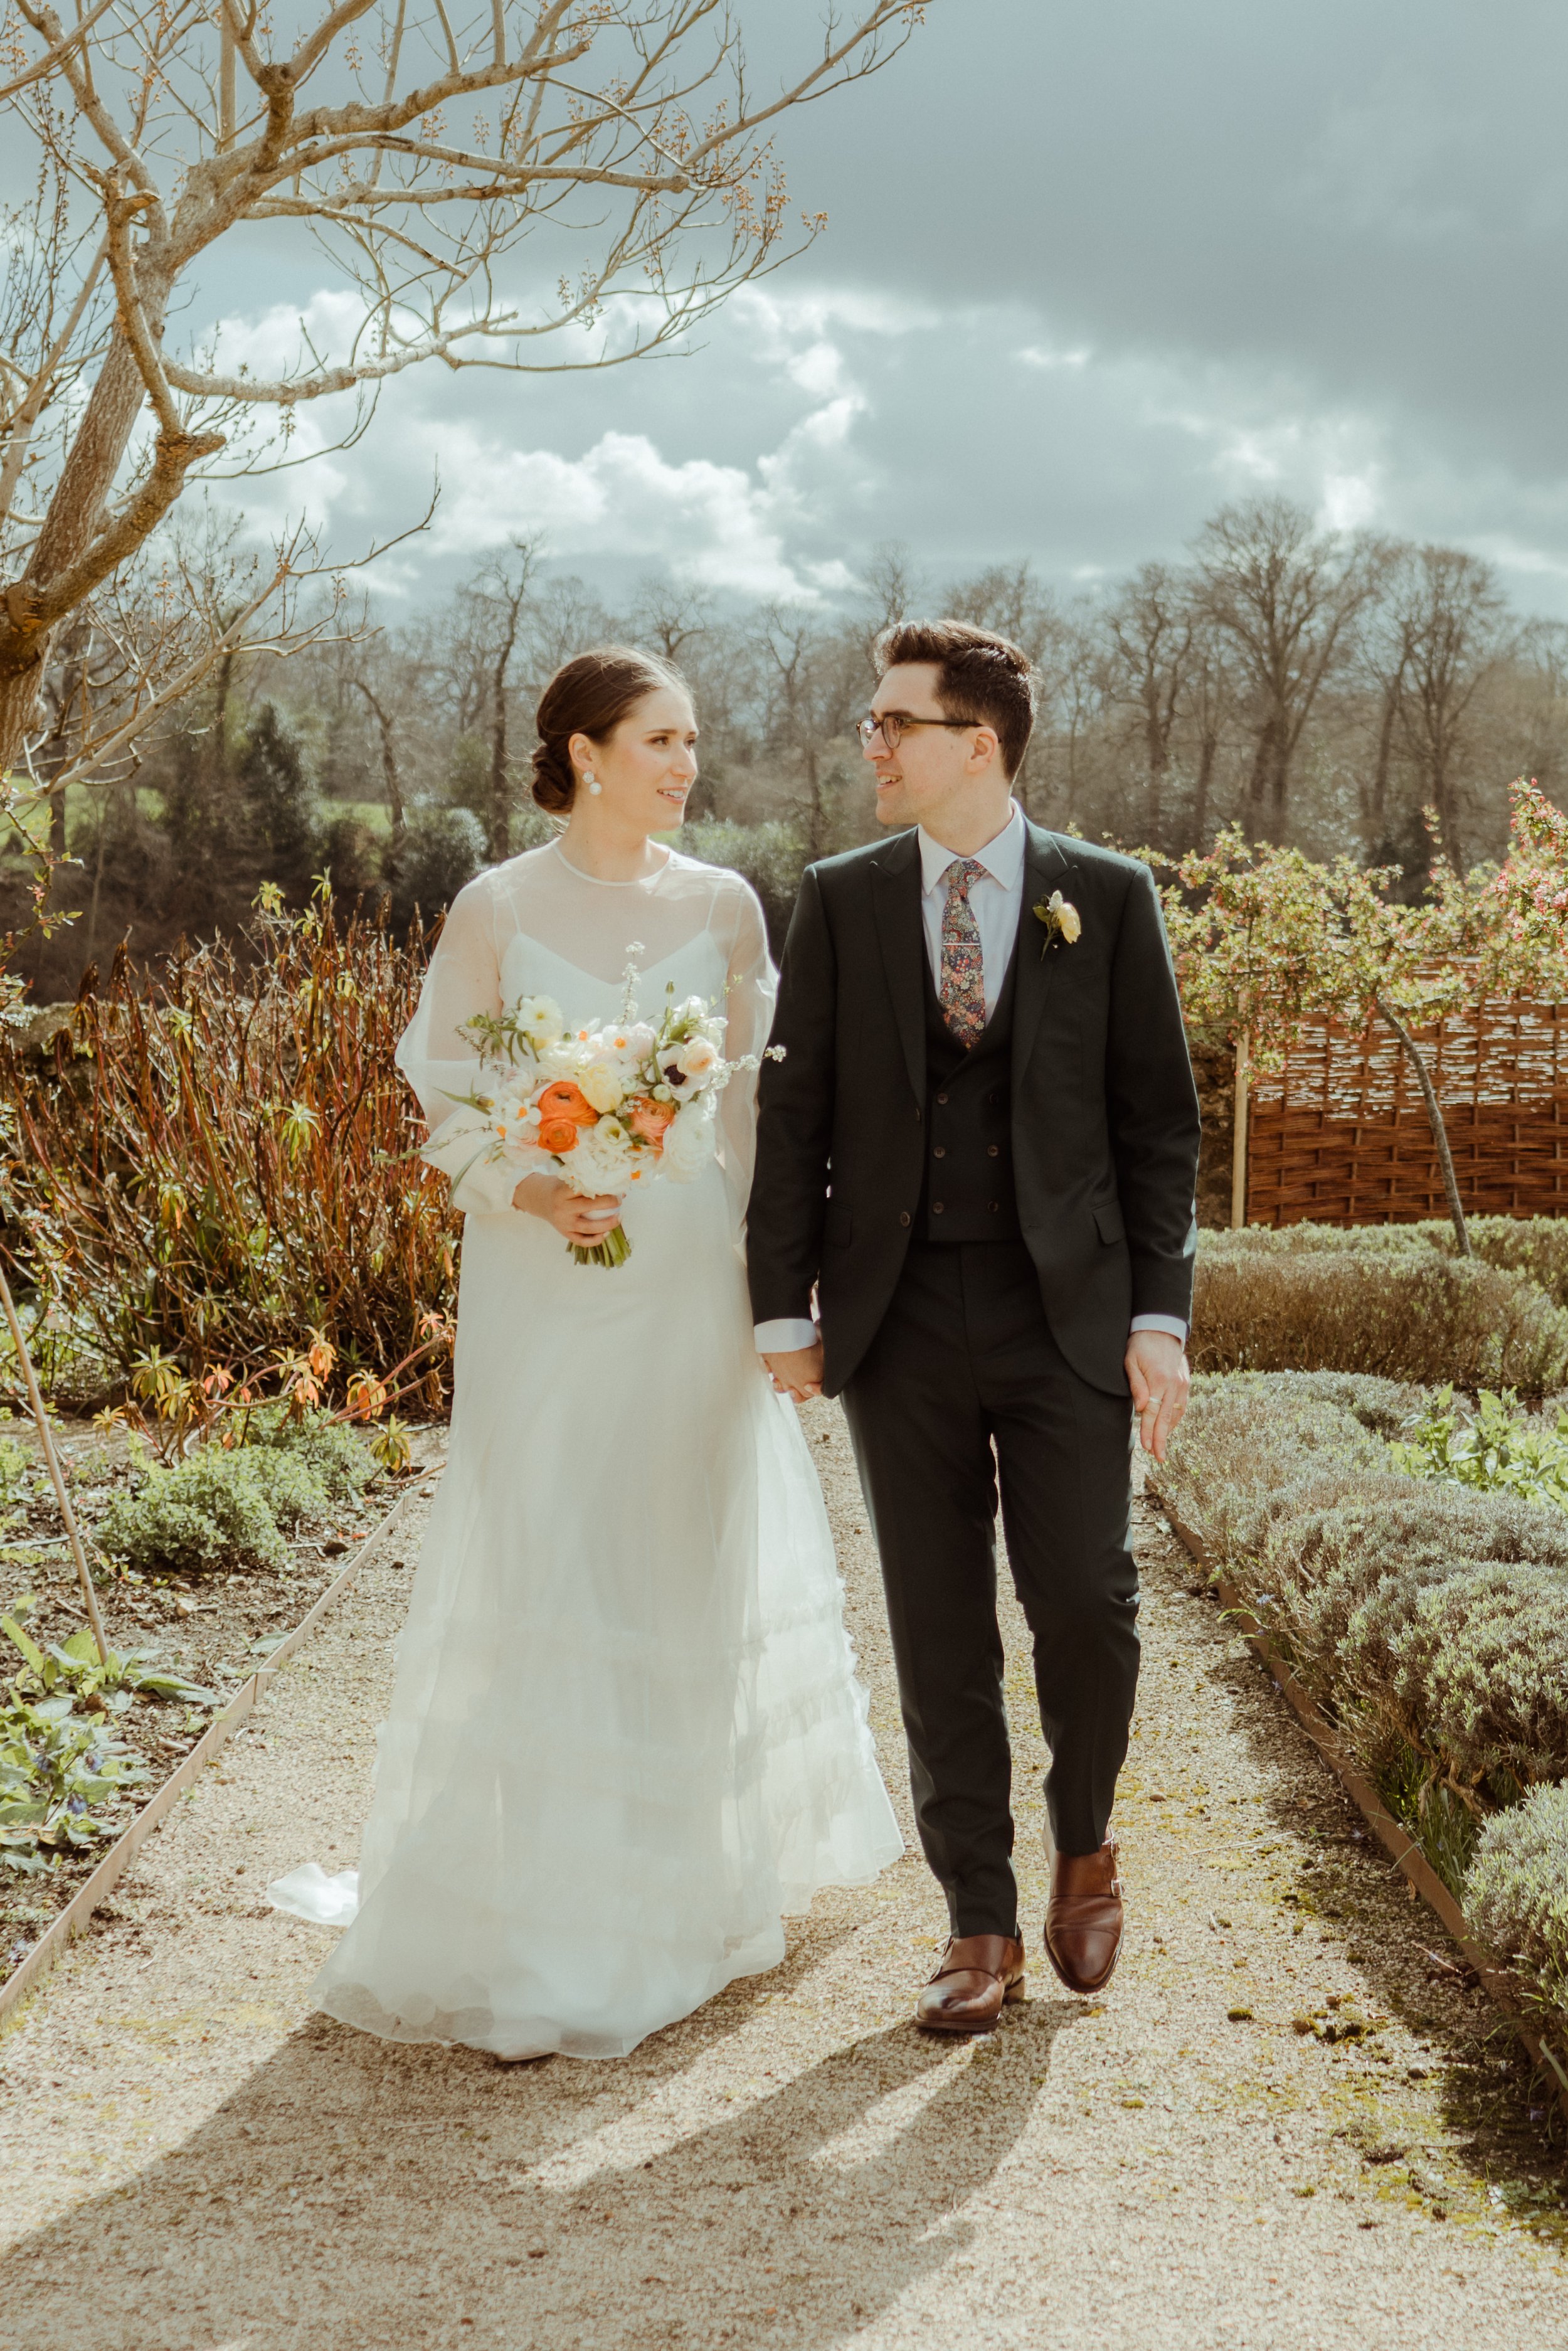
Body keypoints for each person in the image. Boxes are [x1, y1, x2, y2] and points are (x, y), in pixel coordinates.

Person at [269, 647, 901, 2060]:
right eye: (661, 739)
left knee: (679, 1547)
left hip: (687, 1276)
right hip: (543, 1279)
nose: (687, 764)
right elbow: (441, 1094)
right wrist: (534, 1183)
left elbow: (759, 1118)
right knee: (550, 1547)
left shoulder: (727, 904)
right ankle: (557, 1915)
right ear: (584, 750)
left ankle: (686, 1884)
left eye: (692, 738)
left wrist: (776, 1286)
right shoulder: (495, 906)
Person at [747, 620, 1200, 2034]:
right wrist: (779, 1298)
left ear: (975, 744)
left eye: (895, 722)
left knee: (1083, 1599)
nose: (869, 743)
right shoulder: (841, 895)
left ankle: (1083, 1839)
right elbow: (796, 1111)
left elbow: (1156, 1126)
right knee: (936, 1624)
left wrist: (1158, 1317)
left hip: (1060, 1309)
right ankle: (978, 1921)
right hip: (894, 1315)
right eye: (873, 721)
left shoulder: (1107, 898)